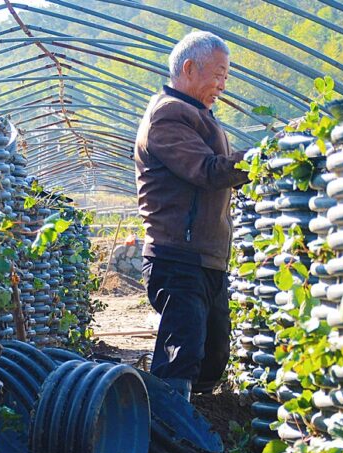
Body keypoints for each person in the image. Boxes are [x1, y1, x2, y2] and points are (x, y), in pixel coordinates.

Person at [134, 31, 249, 400]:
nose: (222, 85)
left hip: (207, 258)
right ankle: (169, 435)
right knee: (180, 355)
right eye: (218, 74)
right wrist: (258, 161)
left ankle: (194, 423)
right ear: (188, 68)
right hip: (179, 257)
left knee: (214, 355)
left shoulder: (200, 115)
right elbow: (206, 170)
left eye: (226, 77)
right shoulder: (168, 116)